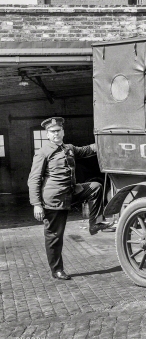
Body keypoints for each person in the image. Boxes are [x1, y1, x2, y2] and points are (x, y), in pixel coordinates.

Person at [28, 117, 112, 280]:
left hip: (71, 193)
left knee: (95, 187)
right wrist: (36, 204)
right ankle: (56, 270)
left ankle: (95, 223)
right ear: (47, 134)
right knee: (54, 236)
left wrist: (106, 142)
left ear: (63, 132)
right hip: (54, 200)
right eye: (52, 132)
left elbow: (87, 150)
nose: (56, 134)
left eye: (58, 131)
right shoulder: (43, 152)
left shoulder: (69, 148)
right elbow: (34, 179)